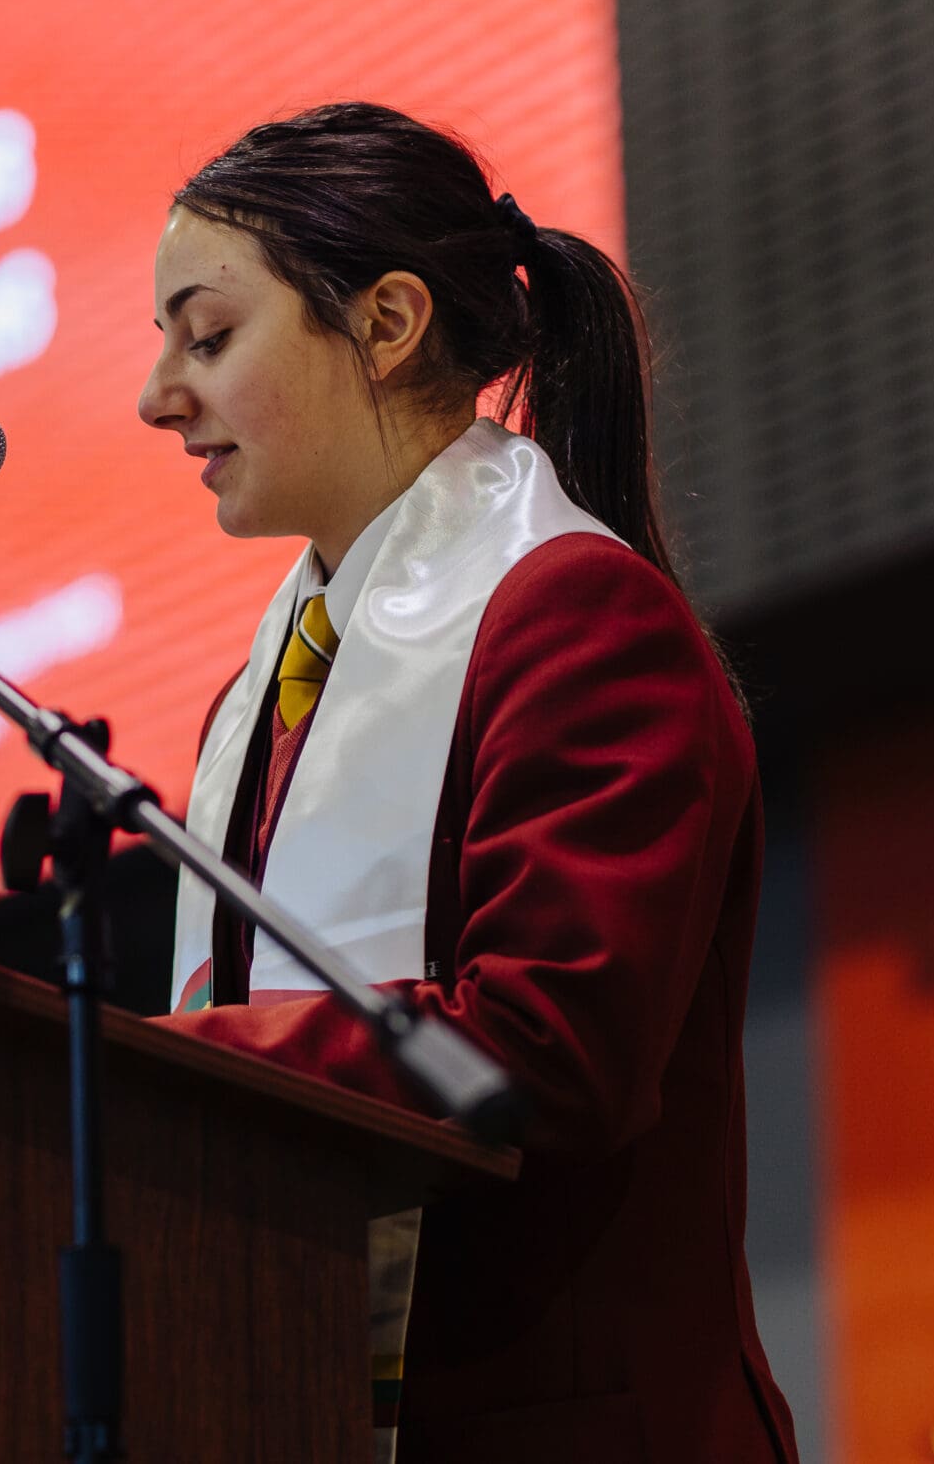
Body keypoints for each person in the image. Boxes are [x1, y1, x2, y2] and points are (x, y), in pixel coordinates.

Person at [138, 103, 799, 1463]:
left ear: (386, 323)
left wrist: (151, 1070)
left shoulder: (577, 618)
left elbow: (554, 1055)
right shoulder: (254, 699)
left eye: (207, 337)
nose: (159, 397)